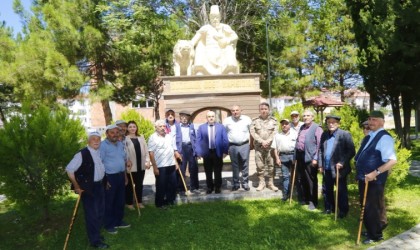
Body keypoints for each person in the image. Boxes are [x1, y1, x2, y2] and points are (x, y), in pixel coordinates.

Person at [355, 110, 397, 244]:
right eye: (369, 119)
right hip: (364, 177)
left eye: (374, 120)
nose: (370, 122)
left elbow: (392, 160)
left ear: (382, 122)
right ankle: (372, 229)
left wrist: (375, 173)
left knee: (372, 207)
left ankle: (375, 235)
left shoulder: (384, 138)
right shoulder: (371, 135)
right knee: (366, 205)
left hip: (374, 179)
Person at [66, 131, 108, 249]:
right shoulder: (82, 154)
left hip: (99, 186)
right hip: (89, 188)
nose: (96, 141)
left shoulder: (98, 152)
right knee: (92, 214)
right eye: (93, 139)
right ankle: (94, 241)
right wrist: (77, 186)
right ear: (88, 141)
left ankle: (97, 235)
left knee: (100, 212)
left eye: (98, 139)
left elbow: (100, 169)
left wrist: (105, 181)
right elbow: (69, 170)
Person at [318, 115, 355, 218]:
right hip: (327, 168)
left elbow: (351, 151)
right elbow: (321, 150)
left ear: (338, 123)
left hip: (339, 169)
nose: (331, 124)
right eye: (329, 122)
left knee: (341, 191)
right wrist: (320, 165)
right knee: (327, 189)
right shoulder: (324, 134)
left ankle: (343, 211)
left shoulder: (345, 134)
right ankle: (329, 208)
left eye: (333, 122)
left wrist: (342, 162)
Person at [100, 124, 132, 234]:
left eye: (116, 132)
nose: (115, 135)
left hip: (120, 176)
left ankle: (118, 221)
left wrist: (125, 176)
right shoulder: (103, 146)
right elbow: (100, 163)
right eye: (112, 132)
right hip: (109, 177)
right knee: (109, 202)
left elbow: (123, 160)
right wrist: (105, 179)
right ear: (107, 134)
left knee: (120, 200)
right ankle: (109, 224)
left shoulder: (120, 144)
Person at [190, 5, 239, 75]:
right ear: (210, 18)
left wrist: (227, 41)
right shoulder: (206, 28)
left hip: (222, 50)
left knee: (229, 48)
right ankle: (200, 71)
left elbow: (235, 36)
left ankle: (229, 71)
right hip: (208, 51)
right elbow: (193, 41)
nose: (215, 19)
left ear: (220, 17)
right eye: (213, 17)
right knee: (200, 47)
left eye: (216, 17)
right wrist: (188, 45)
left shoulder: (225, 27)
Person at [294, 110, 323, 210]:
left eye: (308, 115)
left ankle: (313, 201)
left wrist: (316, 158)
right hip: (301, 156)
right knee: (303, 179)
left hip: (310, 158)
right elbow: (298, 142)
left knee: (311, 180)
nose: (305, 117)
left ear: (313, 117)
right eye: (304, 115)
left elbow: (320, 145)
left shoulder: (317, 128)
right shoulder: (302, 127)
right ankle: (306, 198)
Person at [148, 120, 179, 209]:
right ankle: (159, 204)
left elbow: (172, 150)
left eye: (164, 126)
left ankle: (170, 201)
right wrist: (154, 167)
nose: (162, 128)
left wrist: (176, 162)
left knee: (172, 184)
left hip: (171, 164)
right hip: (160, 166)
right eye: (160, 126)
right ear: (156, 127)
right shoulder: (152, 137)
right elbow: (151, 153)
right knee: (161, 185)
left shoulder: (169, 137)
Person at [196, 111, 229, 194]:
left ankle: (218, 187)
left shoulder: (221, 127)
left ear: (215, 117)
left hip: (217, 152)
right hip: (207, 153)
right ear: (206, 118)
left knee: (218, 171)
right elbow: (198, 140)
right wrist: (198, 152)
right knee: (208, 171)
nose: (211, 118)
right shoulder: (201, 127)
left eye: (212, 116)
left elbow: (225, 139)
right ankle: (209, 187)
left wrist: (225, 151)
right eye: (209, 116)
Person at [250, 102, 278, 191]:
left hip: (270, 148)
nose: (264, 111)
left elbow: (275, 132)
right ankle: (261, 183)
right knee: (260, 166)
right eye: (262, 109)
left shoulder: (274, 121)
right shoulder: (254, 121)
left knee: (271, 165)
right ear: (259, 110)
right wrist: (262, 141)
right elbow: (252, 132)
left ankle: (270, 183)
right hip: (259, 148)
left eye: (265, 109)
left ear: (268, 110)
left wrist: (267, 141)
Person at [223, 105, 252, 191]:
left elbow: (252, 131)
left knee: (245, 165)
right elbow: (224, 134)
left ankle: (245, 183)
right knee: (234, 165)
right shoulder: (227, 121)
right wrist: (225, 147)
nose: (235, 112)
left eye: (237, 110)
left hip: (245, 145)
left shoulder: (247, 119)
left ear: (241, 110)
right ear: (231, 112)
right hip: (232, 146)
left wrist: (252, 145)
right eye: (233, 110)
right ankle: (236, 183)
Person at [124, 121, 150, 210]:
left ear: (136, 128)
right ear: (127, 128)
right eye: (130, 127)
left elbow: (146, 151)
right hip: (131, 166)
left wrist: (147, 161)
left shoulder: (141, 137)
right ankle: (129, 203)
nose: (132, 128)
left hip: (141, 165)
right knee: (130, 186)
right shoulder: (125, 139)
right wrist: (126, 161)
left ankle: (139, 202)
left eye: (134, 126)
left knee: (139, 185)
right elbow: (124, 152)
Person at [272, 119, 298, 201]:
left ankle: (299, 194)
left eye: (286, 124)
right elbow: (275, 148)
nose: (284, 125)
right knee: (285, 176)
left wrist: (296, 157)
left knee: (296, 176)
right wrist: (277, 158)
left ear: (289, 125)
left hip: (293, 155)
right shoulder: (277, 135)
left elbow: (298, 147)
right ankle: (286, 195)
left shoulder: (295, 134)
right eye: (282, 124)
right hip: (283, 156)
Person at [179, 110, 199, 193]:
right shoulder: (177, 127)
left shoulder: (192, 126)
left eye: (186, 117)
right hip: (181, 148)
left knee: (193, 168)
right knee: (182, 168)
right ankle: (181, 187)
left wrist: (197, 151)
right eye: (182, 117)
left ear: (189, 118)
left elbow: (196, 139)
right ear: (180, 118)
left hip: (191, 148)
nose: (184, 119)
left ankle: (194, 186)